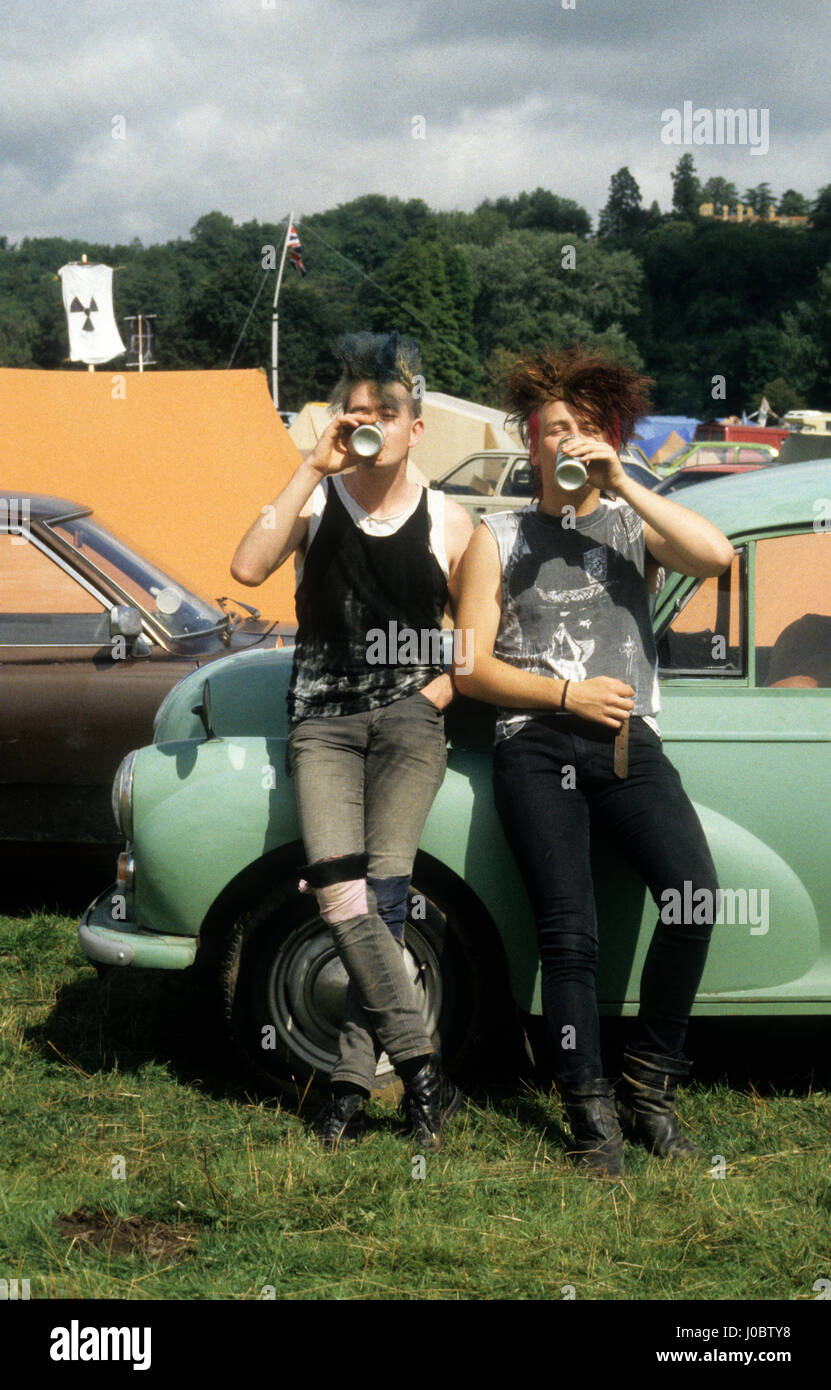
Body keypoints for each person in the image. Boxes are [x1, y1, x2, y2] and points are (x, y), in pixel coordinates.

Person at [454, 347, 735, 1177]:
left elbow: (714, 555)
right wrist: (564, 697)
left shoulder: (629, 522)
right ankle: (589, 1114)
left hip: (627, 740)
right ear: (529, 447)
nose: (565, 442)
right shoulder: (494, 535)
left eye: (581, 428)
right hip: (535, 745)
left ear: (604, 437)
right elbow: (469, 666)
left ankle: (651, 1083)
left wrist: (627, 481)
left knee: (693, 898)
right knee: (568, 936)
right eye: (551, 431)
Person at [231, 331, 473, 1151]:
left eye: (386, 412)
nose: (367, 423)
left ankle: (345, 1091)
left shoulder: (452, 519)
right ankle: (423, 1071)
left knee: (388, 906)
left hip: (408, 727)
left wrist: (436, 691)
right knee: (341, 898)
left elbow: (474, 638)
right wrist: (311, 463)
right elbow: (246, 567)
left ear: (414, 427)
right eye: (353, 410)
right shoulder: (313, 501)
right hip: (323, 727)